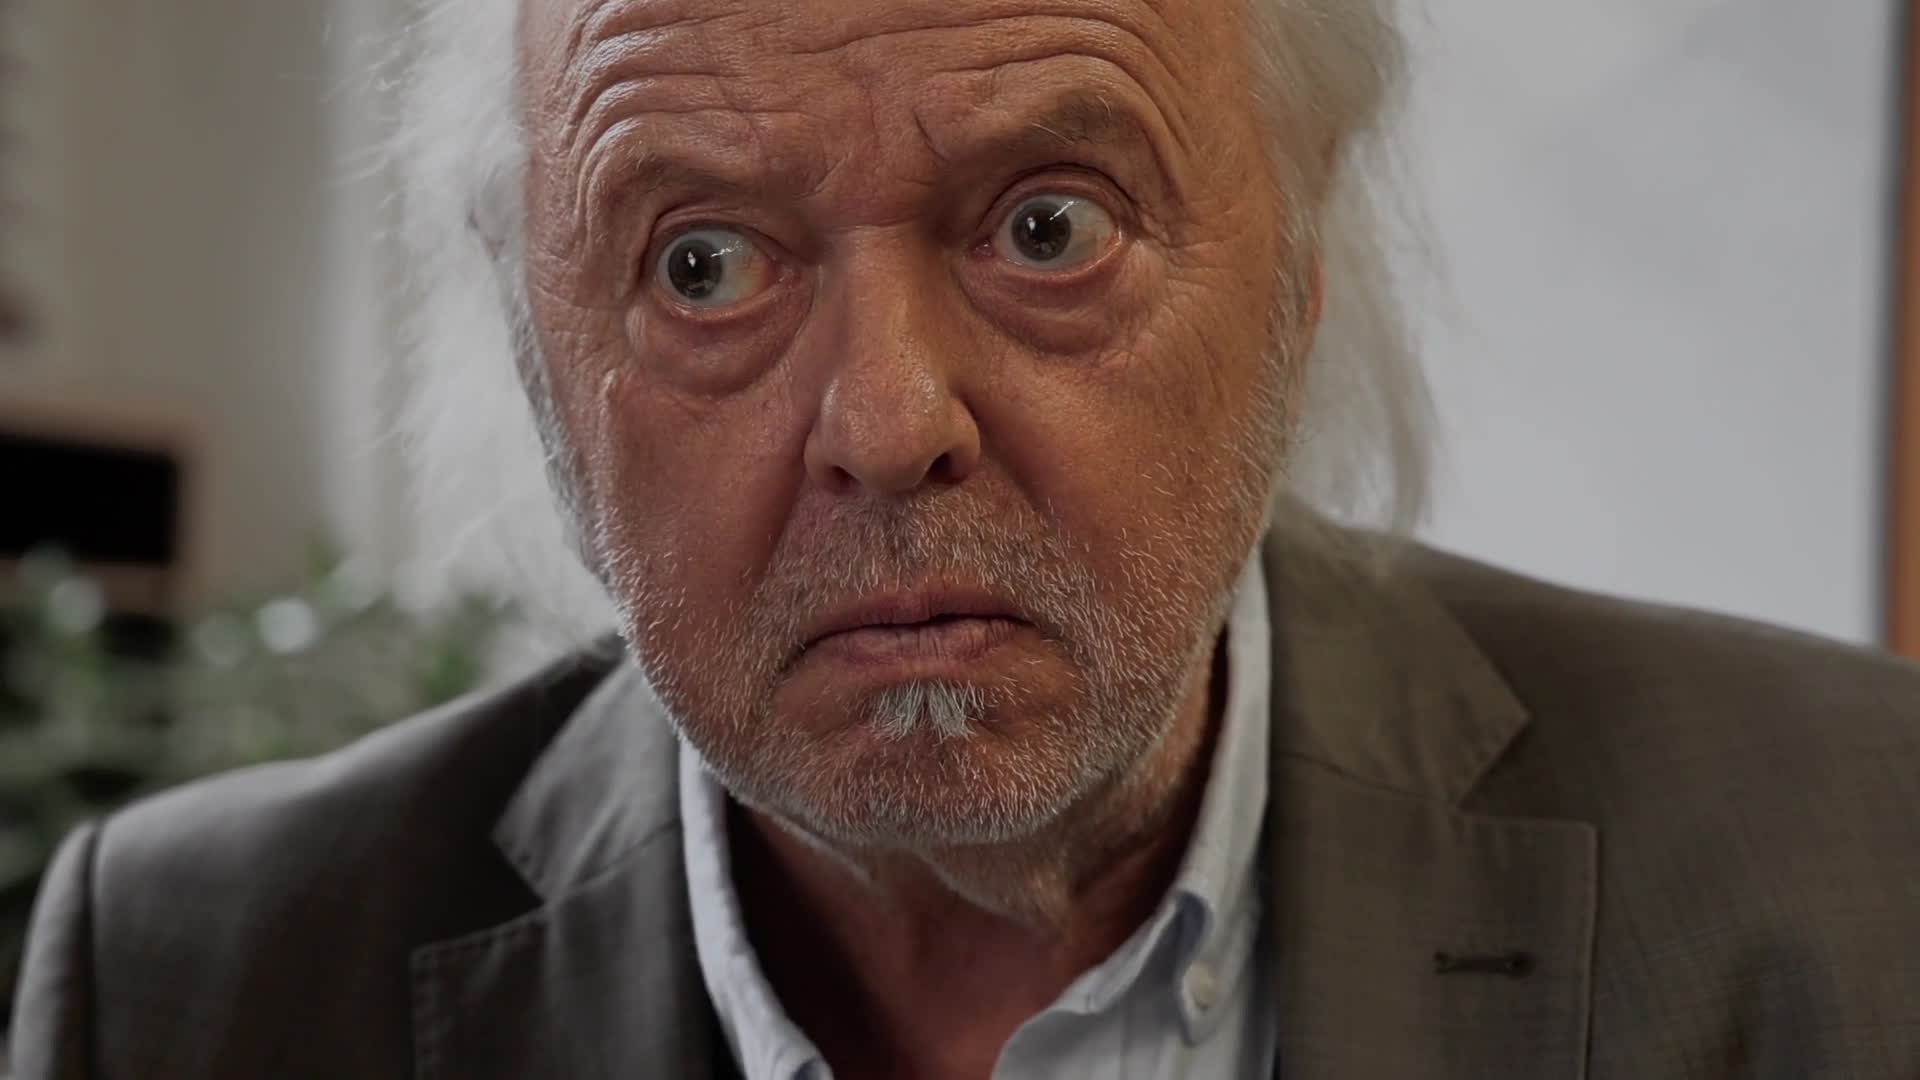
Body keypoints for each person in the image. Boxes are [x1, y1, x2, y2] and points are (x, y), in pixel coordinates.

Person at [12, 0, 1920, 1075]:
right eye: (703, 263)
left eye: (1049, 227)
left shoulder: (1860, 868)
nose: (887, 422)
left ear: (1305, 254)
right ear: (533, 341)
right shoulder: (202, 989)